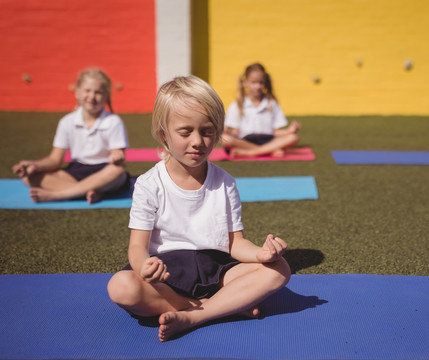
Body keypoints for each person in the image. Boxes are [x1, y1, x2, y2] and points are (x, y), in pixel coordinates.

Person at [106, 76, 291, 342]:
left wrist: (262, 254)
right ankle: (223, 306)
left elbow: (235, 244)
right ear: (163, 135)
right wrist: (144, 267)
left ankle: (195, 316)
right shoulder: (148, 184)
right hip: (167, 274)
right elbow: (137, 247)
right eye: (185, 132)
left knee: (280, 268)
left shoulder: (225, 182)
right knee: (121, 287)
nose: (198, 141)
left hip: (216, 269)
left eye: (206, 131)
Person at [12, 68, 129, 204]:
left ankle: (58, 195)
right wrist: (35, 165)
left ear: (106, 96)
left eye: (98, 92)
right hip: (75, 172)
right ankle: (92, 192)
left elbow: (117, 154)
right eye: (87, 91)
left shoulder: (114, 122)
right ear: (77, 92)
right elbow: (55, 160)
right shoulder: (67, 121)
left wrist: (117, 156)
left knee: (118, 170)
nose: (91, 96)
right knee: (28, 177)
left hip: (104, 170)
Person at [221, 62, 301, 157]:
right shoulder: (236, 105)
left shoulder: (271, 103)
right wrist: (227, 132)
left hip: (268, 140)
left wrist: (289, 131)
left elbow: (275, 132)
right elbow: (236, 132)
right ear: (245, 82)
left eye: (261, 83)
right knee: (225, 139)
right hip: (245, 141)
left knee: (293, 137)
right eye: (254, 83)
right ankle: (269, 151)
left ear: (265, 83)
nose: (258, 86)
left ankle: (250, 152)